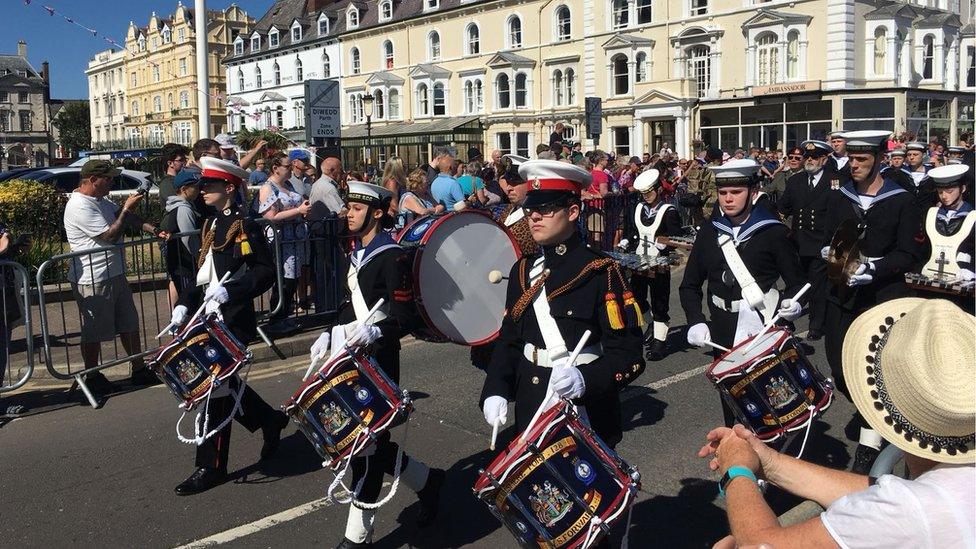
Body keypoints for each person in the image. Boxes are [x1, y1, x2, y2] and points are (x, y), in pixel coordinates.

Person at [697, 298, 975, 549]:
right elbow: (885, 494)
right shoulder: (946, 486)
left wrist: (736, 471)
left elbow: (761, 545)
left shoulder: (913, 512)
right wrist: (768, 461)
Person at [480, 161, 646, 499]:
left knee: (593, 517)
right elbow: (510, 341)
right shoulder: (524, 270)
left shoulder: (601, 271)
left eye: (545, 209)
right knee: (546, 509)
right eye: (530, 209)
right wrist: (495, 389)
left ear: (572, 212)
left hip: (586, 412)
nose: (534, 217)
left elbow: (629, 356)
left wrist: (586, 379)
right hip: (533, 408)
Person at [308, 181, 445, 548]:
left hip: (378, 363)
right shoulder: (357, 252)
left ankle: (356, 539)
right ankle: (429, 481)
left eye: (355, 209)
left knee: (364, 451)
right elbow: (348, 306)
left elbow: (404, 318)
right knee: (368, 446)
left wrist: (374, 334)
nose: (348, 213)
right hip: (348, 359)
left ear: (378, 213)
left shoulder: (391, 256)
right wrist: (329, 331)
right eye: (348, 207)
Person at [167, 157, 289, 495]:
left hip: (233, 320)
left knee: (213, 391)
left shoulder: (245, 225)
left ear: (229, 188)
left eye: (211, 186)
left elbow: (263, 272)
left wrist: (231, 290)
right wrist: (183, 305)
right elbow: (203, 277)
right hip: (206, 317)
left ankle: (211, 466)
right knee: (223, 386)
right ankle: (270, 419)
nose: (204, 191)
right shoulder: (210, 226)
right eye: (204, 186)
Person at [820, 130, 924, 474]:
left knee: (872, 369)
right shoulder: (840, 195)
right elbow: (829, 234)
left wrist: (875, 268)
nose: (855, 165)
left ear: (879, 159)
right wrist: (829, 251)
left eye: (862, 159)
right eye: (851, 158)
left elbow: (909, 253)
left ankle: (870, 442)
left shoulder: (902, 199)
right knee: (839, 367)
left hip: (880, 296)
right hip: (843, 295)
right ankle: (878, 417)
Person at [679, 159, 806, 425]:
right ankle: (739, 462)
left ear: (753, 191)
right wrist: (696, 320)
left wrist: (794, 305)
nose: (727, 199)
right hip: (722, 328)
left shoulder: (772, 232)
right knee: (734, 403)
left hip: (761, 326)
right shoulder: (709, 232)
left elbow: (798, 283)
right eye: (723, 193)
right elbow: (689, 284)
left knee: (772, 404)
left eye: (736, 192)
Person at [63, 160, 169, 393]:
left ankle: (138, 368)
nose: (112, 181)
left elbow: (125, 218)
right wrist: (128, 208)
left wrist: (154, 229)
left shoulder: (100, 200)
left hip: (115, 273)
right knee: (95, 330)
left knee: (129, 322)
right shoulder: (79, 205)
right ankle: (90, 376)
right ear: (93, 180)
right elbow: (109, 236)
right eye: (108, 178)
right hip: (94, 277)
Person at [616, 168, 683, 361]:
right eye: (643, 193)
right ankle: (652, 324)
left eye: (649, 192)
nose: (646, 197)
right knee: (635, 297)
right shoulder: (637, 208)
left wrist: (665, 241)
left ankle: (660, 342)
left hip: (659, 264)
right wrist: (626, 241)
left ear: (658, 190)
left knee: (659, 301)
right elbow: (631, 231)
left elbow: (676, 236)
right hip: (638, 262)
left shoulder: (668, 211)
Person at [776, 140, 840, 341]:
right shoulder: (796, 181)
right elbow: (783, 207)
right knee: (796, 283)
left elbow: (839, 214)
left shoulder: (834, 181)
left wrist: (832, 243)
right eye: (807, 156)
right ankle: (786, 319)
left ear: (824, 159)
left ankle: (816, 326)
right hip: (798, 242)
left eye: (814, 157)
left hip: (821, 243)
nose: (809, 160)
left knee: (817, 286)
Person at [257, 153, 311, 332]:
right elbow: (271, 217)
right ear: (275, 168)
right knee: (283, 282)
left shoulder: (287, 185)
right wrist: (297, 210)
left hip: (295, 240)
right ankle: (275, 320)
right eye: (287, 166)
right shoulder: (268, 188)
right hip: (281, 242)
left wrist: (300, 209)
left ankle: (285, 316)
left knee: (293, 281)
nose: (291, 169)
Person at [916, 164, 975, 312]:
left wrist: (972, 269)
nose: (944, 196)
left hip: (962, 287)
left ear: (963, 189)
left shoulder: (973, 216)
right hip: (930, 283)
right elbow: (922, 248)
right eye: (940, 191)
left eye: (949, 191)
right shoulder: (931, 214)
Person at [160, 170, 202, 298]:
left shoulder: (185, 206)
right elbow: (188, 238)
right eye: (195, 186)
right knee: (189, 299)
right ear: (184, 189)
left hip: (182, 264)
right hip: (185, 265)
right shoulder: (183, 209)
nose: (199, 190)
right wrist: (199, 258)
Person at [309, 156, 348, 221]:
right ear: (332, 171)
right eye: (340, 170)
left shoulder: (318, 183)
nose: (342, 173)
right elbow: (341, 213)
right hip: (325, 228)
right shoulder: (328, 188)